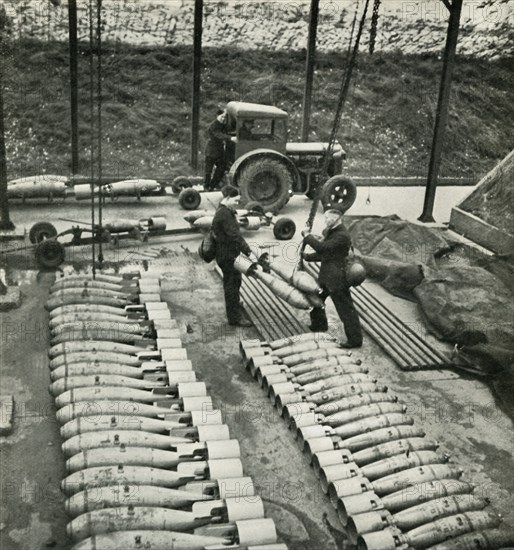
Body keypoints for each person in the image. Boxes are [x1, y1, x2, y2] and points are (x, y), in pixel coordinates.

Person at [301, 208, 363, 348]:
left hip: (337, 279)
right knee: (316, 299)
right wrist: (308, 257)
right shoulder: (332, 232)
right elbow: (328, 254)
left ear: (336, 218)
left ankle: (355, 340)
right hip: (326, 276)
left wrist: (307, 236)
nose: (325, 220)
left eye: (327, 218)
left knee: (346, 309)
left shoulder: (342, 235)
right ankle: (319, 325)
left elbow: (323, 248)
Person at [211, 185, 255, 327]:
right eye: (235, 201)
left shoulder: (224, 210)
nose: (237, 203)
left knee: (235, 282)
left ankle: (234, 305)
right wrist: (249, 252)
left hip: (228, 253)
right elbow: (235, 236)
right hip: (227, 255)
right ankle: (235, 318)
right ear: (228, 198)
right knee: (232, 284)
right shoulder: (224, 214)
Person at [204, 109, 233, 191]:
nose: (223, 119)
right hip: (211, 150)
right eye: (222, 117)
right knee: (208, 169)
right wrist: (230, 138)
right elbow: (219, 135)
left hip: (219, 151)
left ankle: (213, 184)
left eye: (225, 117)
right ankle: (206, 186)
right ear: (217, 116)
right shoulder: (213, 126)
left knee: (221, 167)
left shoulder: (222, 125)